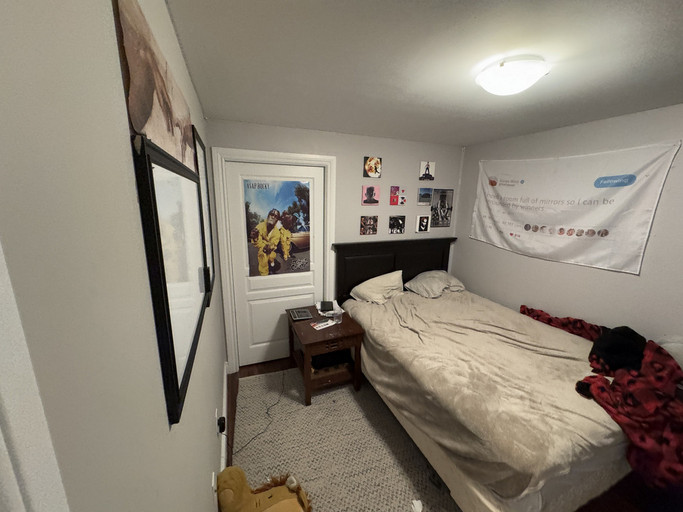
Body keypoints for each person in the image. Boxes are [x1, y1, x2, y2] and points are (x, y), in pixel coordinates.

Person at [250, 209, 283, 276]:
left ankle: (272, 264)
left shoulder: (277, 232)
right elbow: (257, 243)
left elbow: (274, 243)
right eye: (272, 214)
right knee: (263, 253)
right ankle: (264, 275)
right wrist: (255, 238)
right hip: (262, 248)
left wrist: (270, 247)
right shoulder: (260, 226)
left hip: (271, 250)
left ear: (277, 220)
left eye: (275, 216)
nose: (273, 217)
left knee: (272, 256)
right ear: (268, 216)